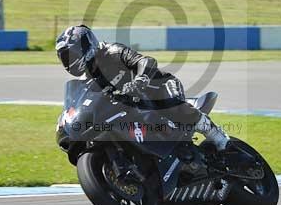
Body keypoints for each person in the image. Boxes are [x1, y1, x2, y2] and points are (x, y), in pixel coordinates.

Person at [55, 24, 232, 151]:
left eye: (71, 55)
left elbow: (145, 61)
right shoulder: (90, 78)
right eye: (65, 58)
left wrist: (141, 79)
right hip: (135, 107)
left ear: (85, 46)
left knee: (171, 107)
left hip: (159, 86)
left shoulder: (112, 52)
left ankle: (218, 137)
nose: (69, 61)